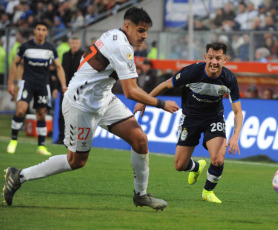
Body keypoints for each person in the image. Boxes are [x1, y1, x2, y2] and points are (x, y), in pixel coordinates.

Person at [2, 7, 179, 210]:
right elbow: (131, 92)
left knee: (140, 139)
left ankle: (140, 195)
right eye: (140, 30)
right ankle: (19, 175)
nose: (144, 35)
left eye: (146, 31)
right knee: (76, 161)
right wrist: (161, 104)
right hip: (82, 104)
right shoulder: (121, 46)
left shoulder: (114, 35)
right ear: (127, 26)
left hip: (103, 99)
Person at [134, 42, 243, 204]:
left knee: (218, 159)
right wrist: (144, 101)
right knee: (179, 165)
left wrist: (235, 137)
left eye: (218, 58)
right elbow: (165, 84)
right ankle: (197, 167)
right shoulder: (192, 72)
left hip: (214, 118)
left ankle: (207, 192)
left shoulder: (229, 79)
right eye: (211, 57)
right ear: (206, 57)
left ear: (225, 60)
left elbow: (237, 112)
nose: (214, 62)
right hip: (190, 117)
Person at [6, 21, 67, 156]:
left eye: (43, 29)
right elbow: (15, 63)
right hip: (27, 83)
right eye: (38, 29)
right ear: (34, 31)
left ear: (46, 32)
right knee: (21, 110)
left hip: (43, 85)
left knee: (41, 114)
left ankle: (41, 146)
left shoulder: (51, 48)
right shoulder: (25, 47)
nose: (40, 32)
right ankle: (13, 141)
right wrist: (11, 83)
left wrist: (63, 85)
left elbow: (59, 67)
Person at [53, 36, 84, 144]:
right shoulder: (65, 55)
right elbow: (61, 71)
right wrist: (57, 87)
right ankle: (61, 137)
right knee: (62, 113)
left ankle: (74, 138)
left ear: (79, 44)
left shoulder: (83, 55)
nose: (74, 45)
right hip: (64, 89)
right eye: (73, 43)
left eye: (76, 43)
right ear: (70, 44)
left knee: (76, 114)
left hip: (78, 90)